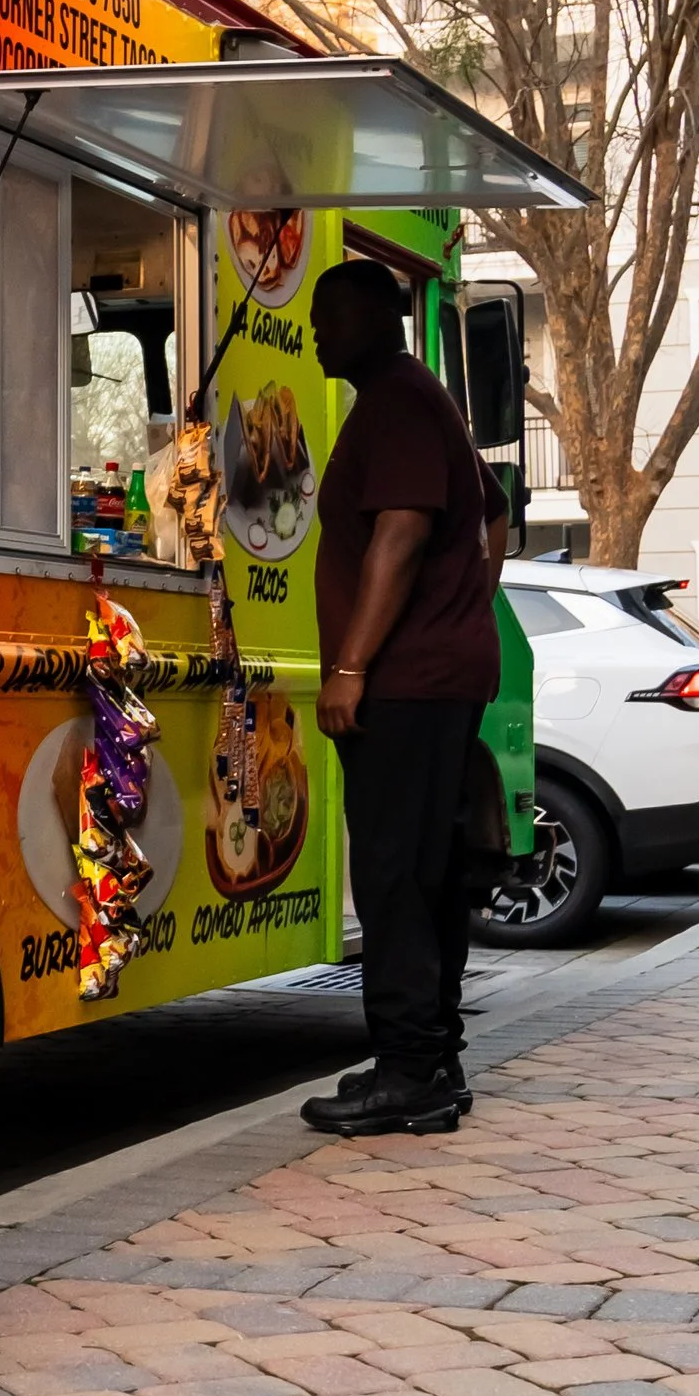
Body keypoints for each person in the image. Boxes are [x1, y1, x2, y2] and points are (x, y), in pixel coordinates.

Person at [301, 257, 508, 1136]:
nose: (317, 332)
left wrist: (352, 665)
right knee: (424, 870)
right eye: (314, 317)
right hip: (430, 673)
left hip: (405, 685)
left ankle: (409, 1070)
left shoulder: (396, 399)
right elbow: (495, 513)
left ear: (383, 319)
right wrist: (461, 601)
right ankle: (432, 1055)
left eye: (332, 317)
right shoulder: (422, 404)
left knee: (393, 872)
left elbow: (400, 533)